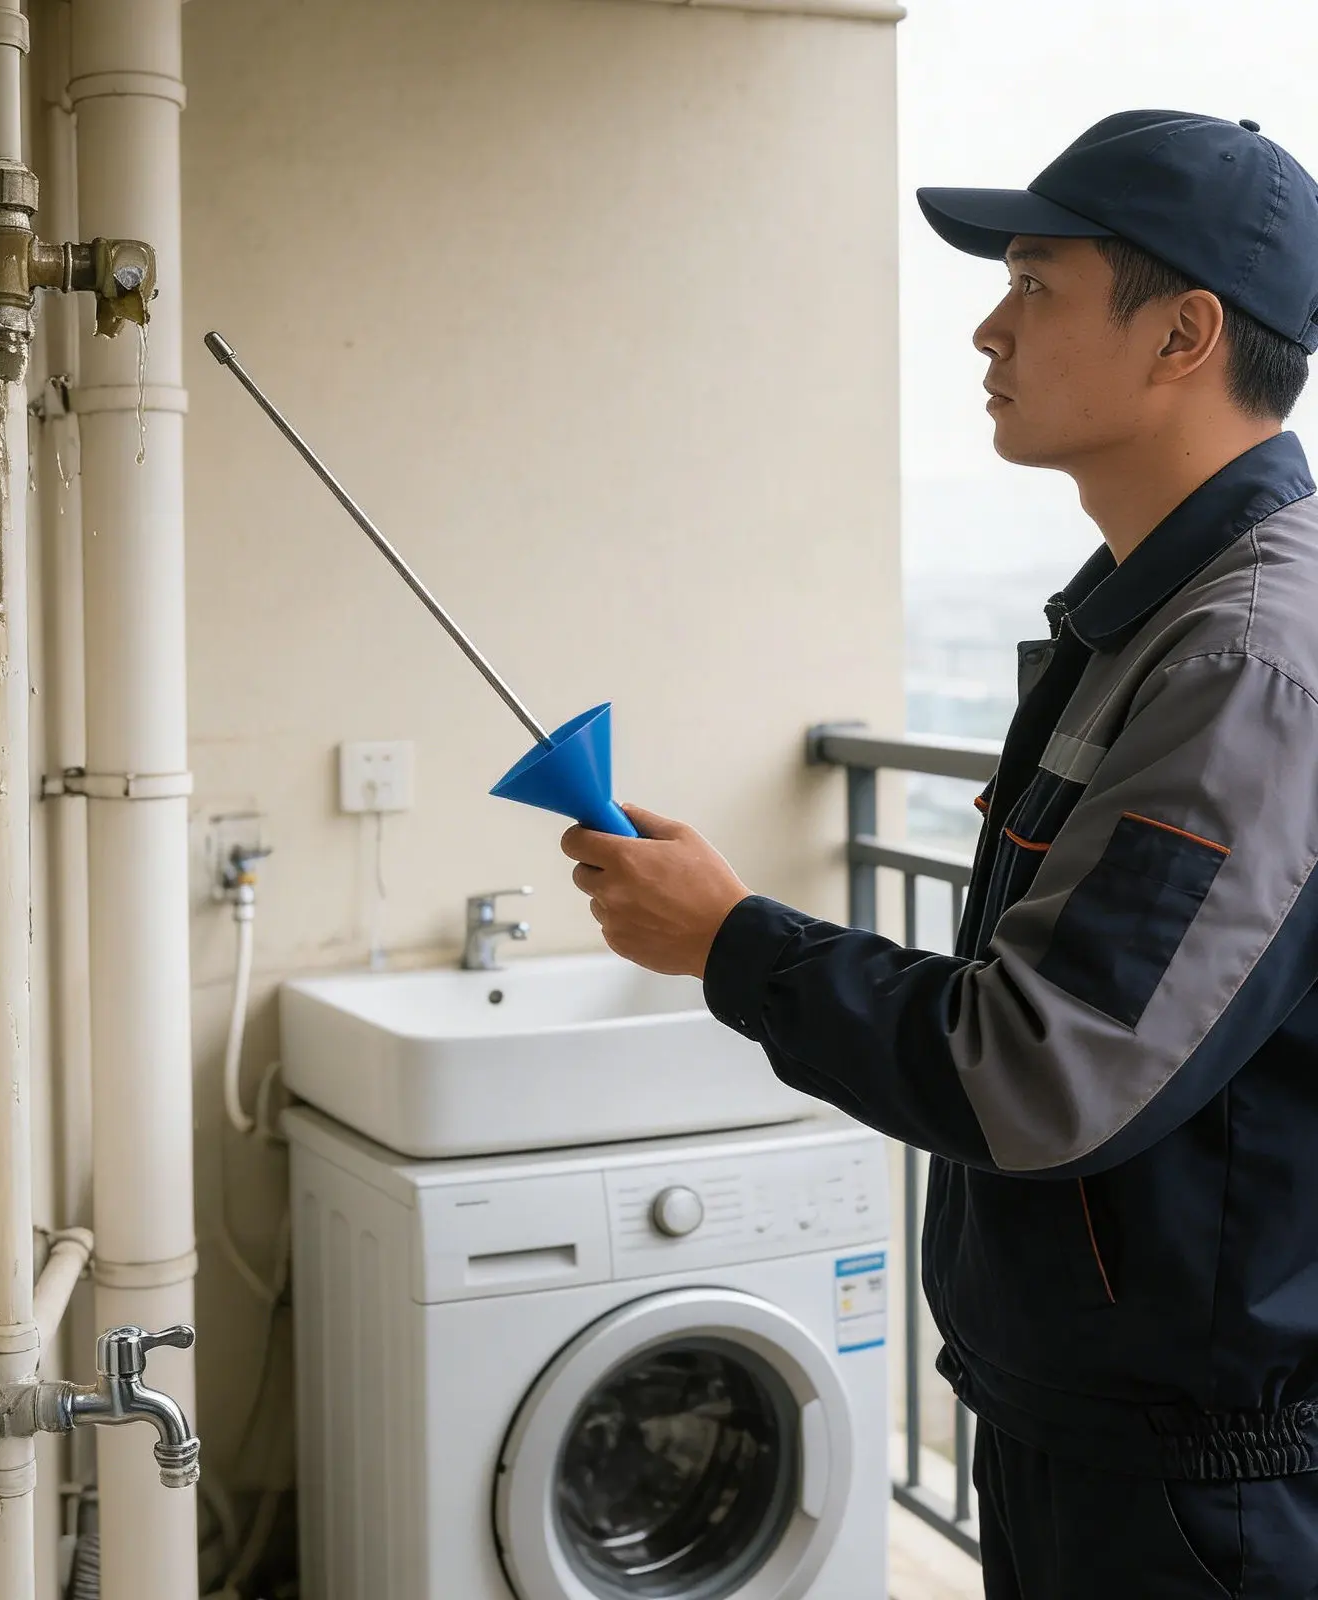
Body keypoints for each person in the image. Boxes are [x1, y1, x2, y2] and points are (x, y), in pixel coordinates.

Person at [561, 110, 1318, 1598]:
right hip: (1101, 1437)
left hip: (1195, 1499)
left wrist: (732, 941)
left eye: (1036, 282)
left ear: (1184, 335)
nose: (989, 327)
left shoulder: (1245, 663)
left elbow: (1039, 1068)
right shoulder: (1151, 614)